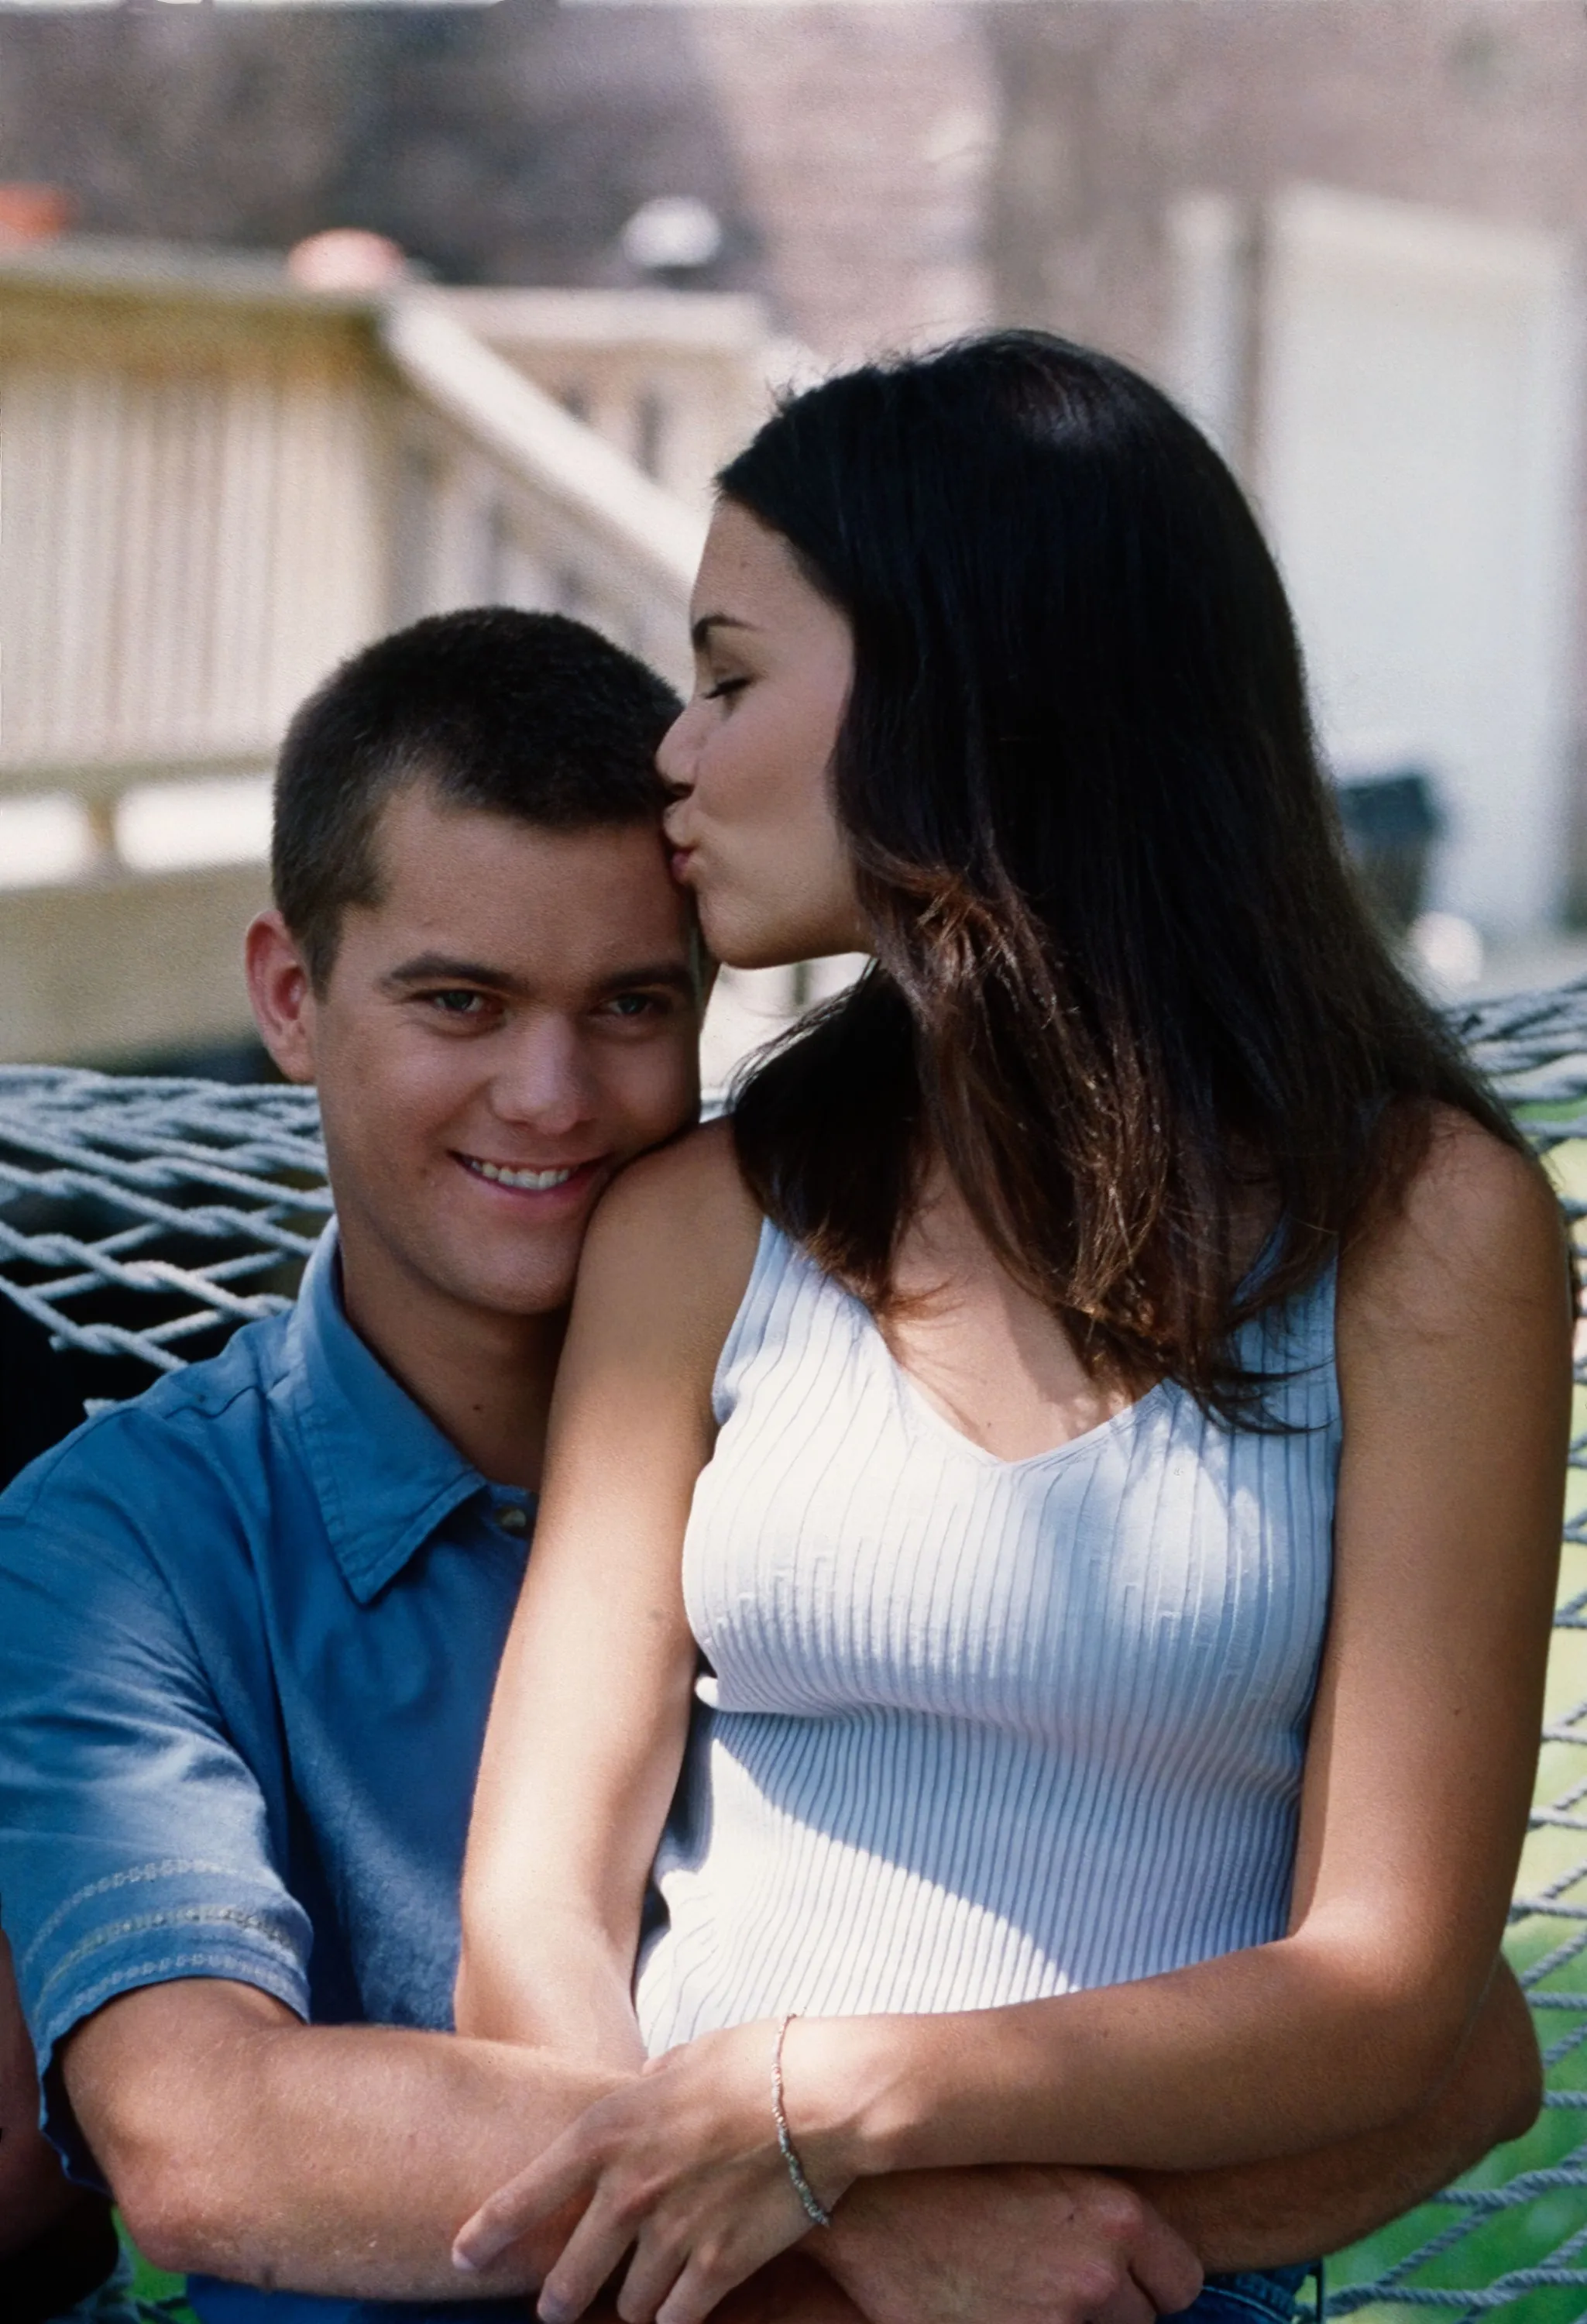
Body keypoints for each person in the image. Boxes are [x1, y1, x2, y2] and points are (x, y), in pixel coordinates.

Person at [0, 603, 1542, 2324]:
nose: (550, 1091)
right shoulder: (117, 1544)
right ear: (290, 997)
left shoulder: (856, 1483)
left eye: (633, 1005)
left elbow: (1451, 2052)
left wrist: (844, 2163)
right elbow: (211, 2138)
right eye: (460, 1002)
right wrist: (850, 2223)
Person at [451, 335, 1572, 2324]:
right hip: (679, 2276)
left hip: (1126, 2285)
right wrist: (799, 2219)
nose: (675, 759)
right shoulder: (700, 1228)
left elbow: (1391, 1992)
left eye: (727, 678)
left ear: (966, 687)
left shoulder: (1424, 1240)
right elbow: (534, 1911)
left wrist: (835, 2101)